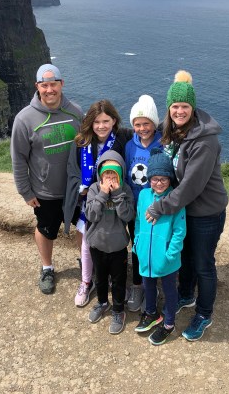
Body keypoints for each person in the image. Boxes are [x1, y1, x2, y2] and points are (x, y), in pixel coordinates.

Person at [145, 70, 228, 342]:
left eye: (184, 106)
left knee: (203, 264)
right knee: (187, 257)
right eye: (175, 106)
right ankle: (186, 295)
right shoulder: (175, 130)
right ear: (168, 108)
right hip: (186, 210)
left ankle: (204, 314)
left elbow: (191, 187)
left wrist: (159, 207)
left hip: (206, 213)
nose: (179, 111)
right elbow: (148, 133)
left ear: (193, 107)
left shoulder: (205, 141)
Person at [10, 64, 82, 294]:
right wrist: (25, 191)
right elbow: (18, 158)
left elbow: (88, 146)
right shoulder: (24, 119)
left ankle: (86, 262)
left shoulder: (76, 112)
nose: (49, 90)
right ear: (37, 86)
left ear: (62, 84)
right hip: (45, 191)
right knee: (45, 229)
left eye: (53, 84)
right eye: (45, 85)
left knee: (84, 227)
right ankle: (47, 268)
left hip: (75, 189)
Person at [63, 100, 132, 307]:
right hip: (90, 199)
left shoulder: (123, 138)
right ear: (90, 122)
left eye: (106, 121)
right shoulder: (81, 142)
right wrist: (81, 188)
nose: (101, 126)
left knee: (114, 242)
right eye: (96, 122)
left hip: (116, 199)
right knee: (87, 241)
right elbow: (72, 170)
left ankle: (113, 279)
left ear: (114, 121)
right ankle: (87, 281)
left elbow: (146, 131)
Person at [133, 148, 186, 345]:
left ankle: (169, 323)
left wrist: (170, 254)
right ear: (149, 179)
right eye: (155, 178)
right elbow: (138, 221)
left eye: (164, 179)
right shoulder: (143, 195)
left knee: (169, 291)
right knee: (148, 285)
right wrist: (137, 243)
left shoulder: (175, 200)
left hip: (166, 258)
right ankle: (151, 313)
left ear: (170, 179)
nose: (159, 183)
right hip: (145, 254)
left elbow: (180, 231)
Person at [84, 150, 134, 334]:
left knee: (119, 281)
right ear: (100, 175)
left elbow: (128, 216)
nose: (110, 179)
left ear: (121, 174)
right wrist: (103, 194)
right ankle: (102, 302)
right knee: (100, 278)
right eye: (107, 175)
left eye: (114, 175)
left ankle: (119, 310)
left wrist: (118, 194)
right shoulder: (94, 189)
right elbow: (91, 215)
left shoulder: (125, 190)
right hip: (97, 244)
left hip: (118, 245)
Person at [124, 94, 162, 312]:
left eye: (146, 123)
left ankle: (152, 287)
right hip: (135, 208)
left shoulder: (162, 145)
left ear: (154, 123)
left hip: (155, 208)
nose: (142, 128)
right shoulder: (130, 146)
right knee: (137, 247)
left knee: (154, 247)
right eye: (137, 124)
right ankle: (138, 285)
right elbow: (126, 176)